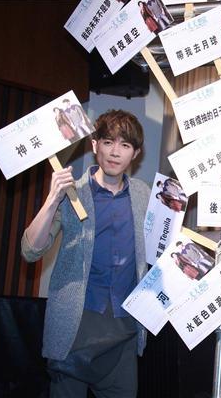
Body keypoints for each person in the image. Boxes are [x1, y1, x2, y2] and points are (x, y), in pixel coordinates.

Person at [21, 109, 150, 397]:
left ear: (136, 153)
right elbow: (30, 250)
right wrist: (52, 199)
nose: (115, 152)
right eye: (108, 142)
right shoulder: (72, 193)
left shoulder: (143, 194)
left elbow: (158, 249)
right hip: (75, 325)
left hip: (124, 327)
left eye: (125, 145)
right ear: (94, 145)